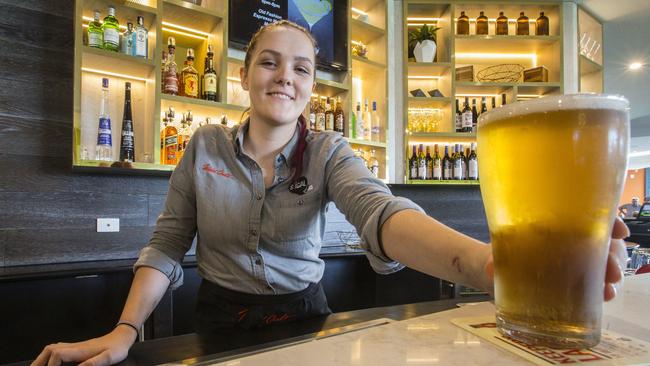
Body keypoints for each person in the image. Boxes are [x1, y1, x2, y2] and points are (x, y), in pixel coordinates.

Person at [32, 20, 629, 366]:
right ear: (244, 75)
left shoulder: (330, 151)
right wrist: (125, 331)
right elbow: (166, 245)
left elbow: (382, 213)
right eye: (268, 63)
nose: (284, 77)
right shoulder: (205, 146)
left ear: (311, 85)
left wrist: (488, 264)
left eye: (299, 68)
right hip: (214, 320)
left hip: (304, 320)